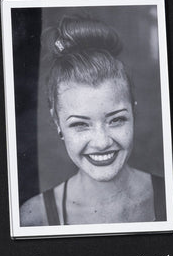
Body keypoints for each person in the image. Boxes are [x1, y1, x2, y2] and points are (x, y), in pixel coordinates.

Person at [20, 15, 165, 226]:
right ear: (57, 122)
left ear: (133, 112)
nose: (102, 142)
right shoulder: (34, 217)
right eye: (80, 124)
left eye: (116, 120)